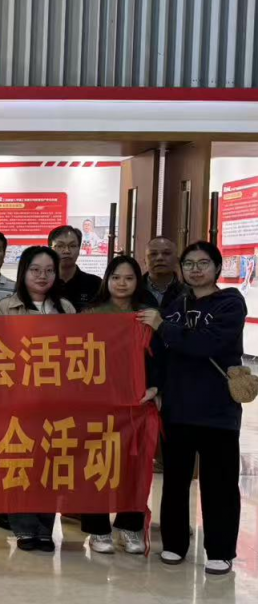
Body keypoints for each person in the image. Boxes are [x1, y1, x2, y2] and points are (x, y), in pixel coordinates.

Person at [139, 241, 245, 575]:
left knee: (219, 483)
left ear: (217, 267)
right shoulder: (175, 305)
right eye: (189, 264)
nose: (195, 270)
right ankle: (173, 544)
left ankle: (221, 550)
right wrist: (156, 385)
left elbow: (207, 344)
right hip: (178, 407)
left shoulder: (231, 303)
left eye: (203, 263)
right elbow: (159, 351)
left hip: (218, 410)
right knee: (175, 481)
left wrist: (164, 326)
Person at [0, 246, 76, 552]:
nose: (42, 276)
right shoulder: (6, 307)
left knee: (50, 463)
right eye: (35, 270)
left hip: (57, 398)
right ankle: (24, 528)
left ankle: (45, 528)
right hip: (17, 398)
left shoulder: (65, 308)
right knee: (20, 460)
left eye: (49, 270)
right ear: (23, 272)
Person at [78, 255, 151, 555]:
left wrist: (155, 387)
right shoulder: (90, 314)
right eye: (116, 277)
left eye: (129, 278)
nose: (122, 283)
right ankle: (98, 530)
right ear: (107, 280)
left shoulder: (147, 315)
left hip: (137, 401)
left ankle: (130, 526)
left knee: (133, 465)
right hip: (98, 400)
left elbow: (159, 356)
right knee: (96, 461)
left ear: (137, 282)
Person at [49, 225, 102, 312]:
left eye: (72, 246)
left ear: (79, 249)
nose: (66, 251)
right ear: (50, 250)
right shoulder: (43, 283)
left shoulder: (95, 284)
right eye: (60, 246)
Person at [143, 237, 189, 309]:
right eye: (153, 254)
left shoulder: (188, 293)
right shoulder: (134, 291)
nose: (160, 258)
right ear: (145, 262)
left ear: (177, 260)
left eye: (166, 253)